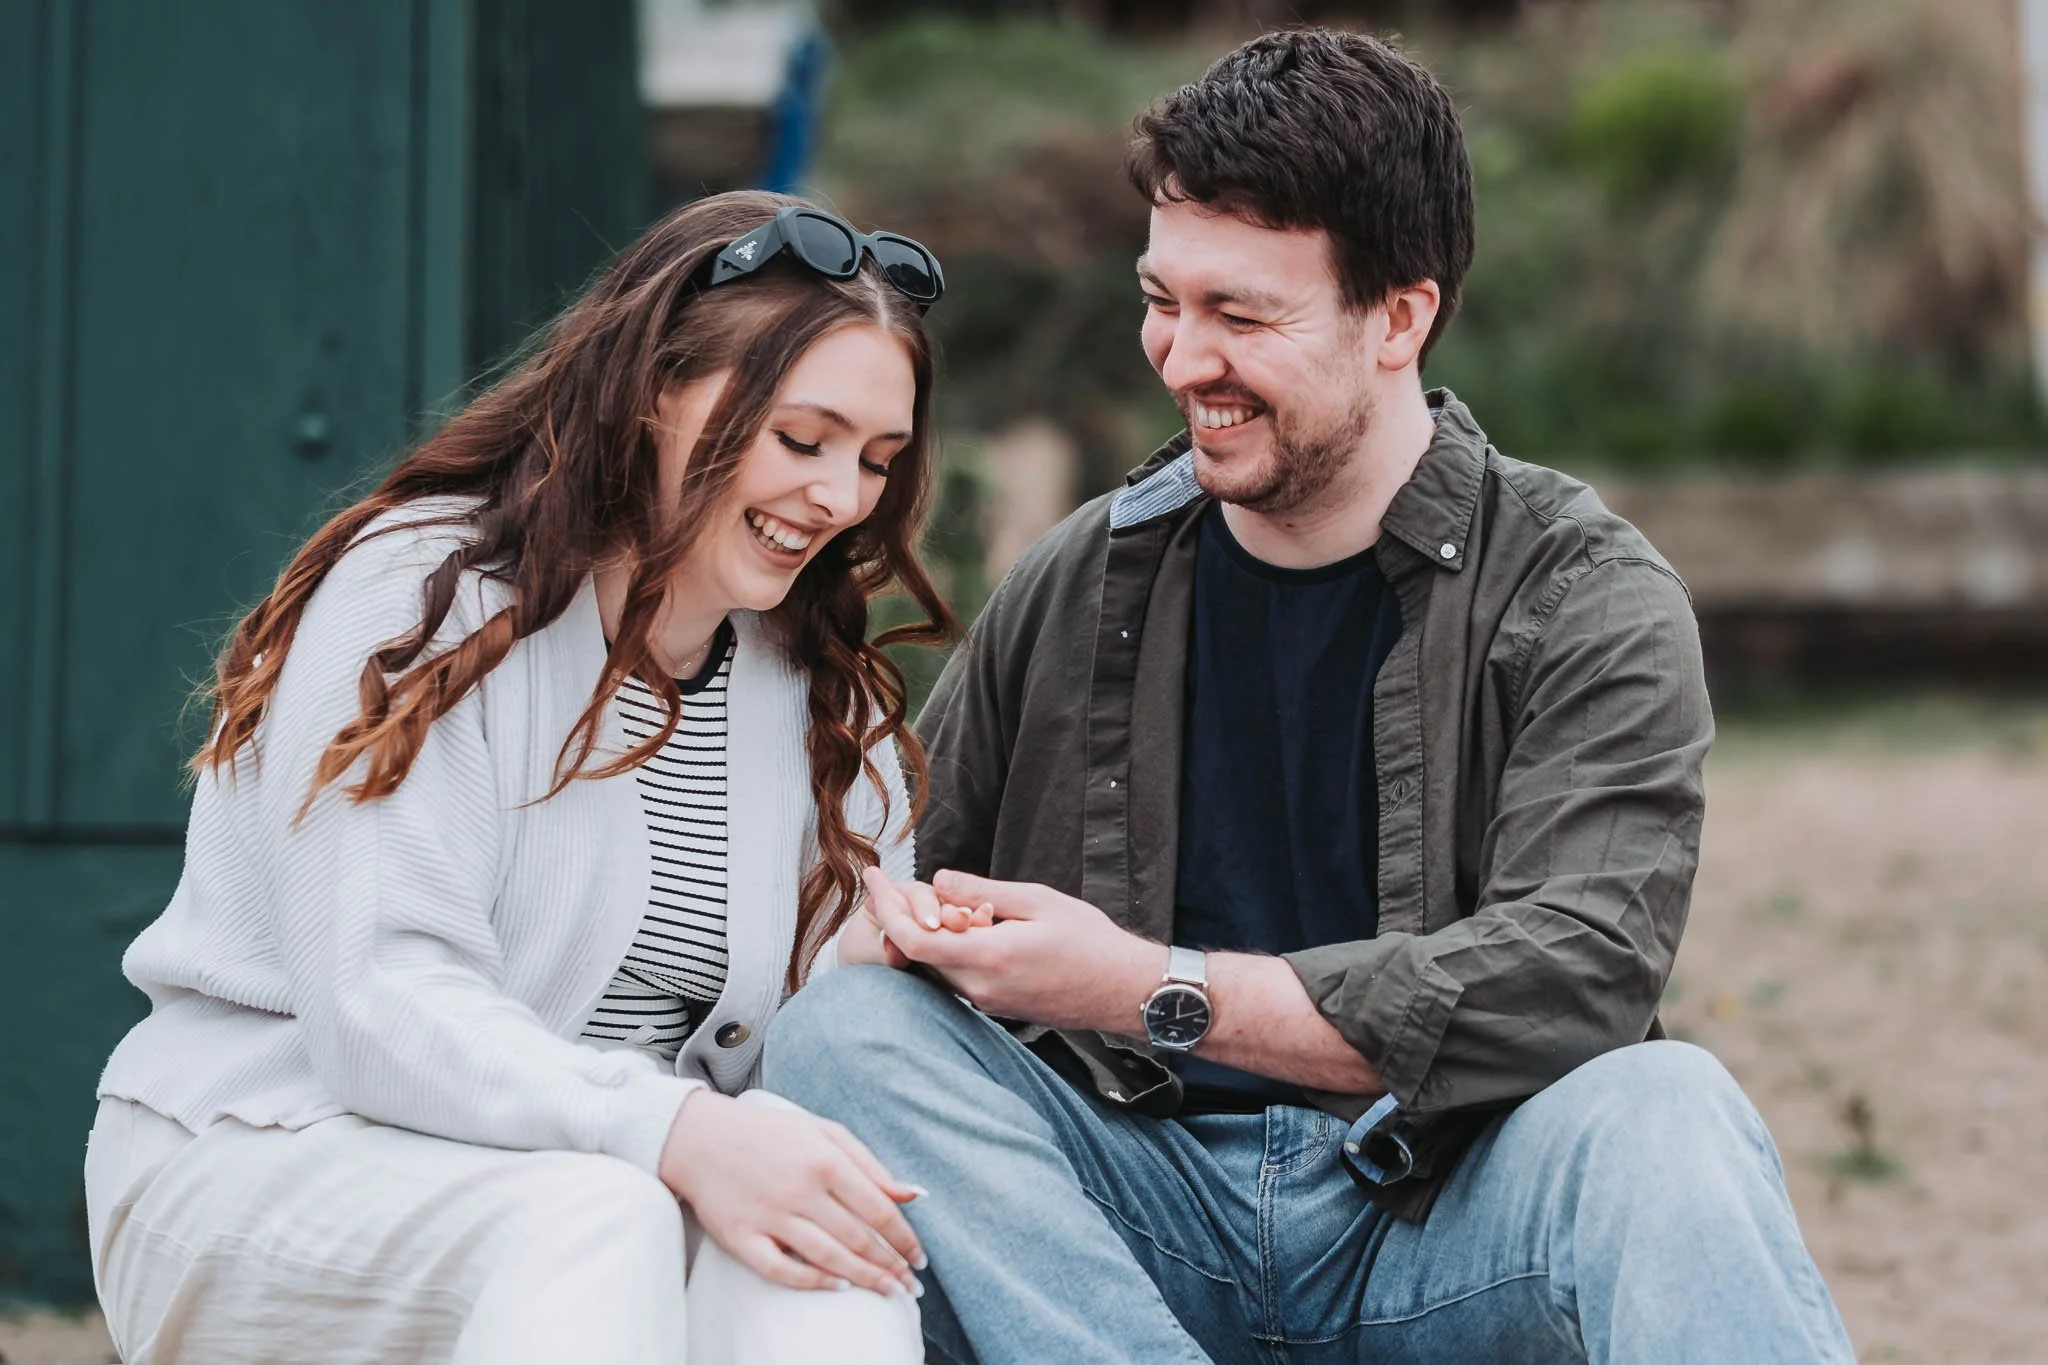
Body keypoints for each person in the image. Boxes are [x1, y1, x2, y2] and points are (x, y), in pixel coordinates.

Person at [763, 29, 1857, 1364]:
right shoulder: (1070, 583)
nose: (1180, 357)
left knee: (1669, 1106)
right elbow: (889, 885)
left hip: (1448, 1218)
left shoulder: (1582, 589)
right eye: (1164, 299)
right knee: (849, 1033)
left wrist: (1150, 986)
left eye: (1244, 316)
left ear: (1401, 314)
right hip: (1126, 1232)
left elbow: (1578, 975)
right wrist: (909, 929)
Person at [85, 190, 956, 1365]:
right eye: (802, 440)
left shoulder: (826, 705)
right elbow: (380, 1002)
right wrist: (674, 1130)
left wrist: (861, 972)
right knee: (597, 1214)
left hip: (614, 1188)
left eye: (873, 460)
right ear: (656, 389)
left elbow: (757, 1085)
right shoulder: (423, 595)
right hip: (271, 1144)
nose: (840, 498)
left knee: (830, 1271)